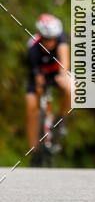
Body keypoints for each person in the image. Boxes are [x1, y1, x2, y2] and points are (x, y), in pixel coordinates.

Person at [25, 14, 71, 161]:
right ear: (40, 37)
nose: (50, 42)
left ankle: (61, 119)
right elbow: (36, 76)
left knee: (70, 87)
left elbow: (64, 60)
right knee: (31, 108)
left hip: (56, 73)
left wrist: (62, 75)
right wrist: (39, 94)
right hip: (37, 76)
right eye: (46, 39)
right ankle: (34, 150)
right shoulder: (32, 47)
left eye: (53, 39)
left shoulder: (62, 39)